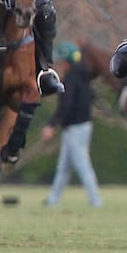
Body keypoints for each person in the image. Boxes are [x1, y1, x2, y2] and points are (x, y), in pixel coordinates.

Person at [42, 42, 103, 208]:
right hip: (83, 126)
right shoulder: (85, 77)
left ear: (66, 61)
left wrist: (52, 125)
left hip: (74, 128)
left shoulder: (70, 79)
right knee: (64, 166)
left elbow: (66, 106)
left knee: (82, 164)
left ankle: (96, 200)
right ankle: (53, 200)